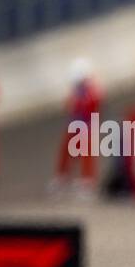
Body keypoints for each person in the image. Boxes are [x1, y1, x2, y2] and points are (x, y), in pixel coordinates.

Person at [52, 57, 102, 195]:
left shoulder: (93, 91)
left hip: (86, 128)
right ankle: (62, 176)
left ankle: (87, 181)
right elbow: (69, 106)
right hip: (74, 126)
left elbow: (92, 106)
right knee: (66, 152)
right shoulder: (76, 90)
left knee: (86, 155)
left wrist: (78, 104)